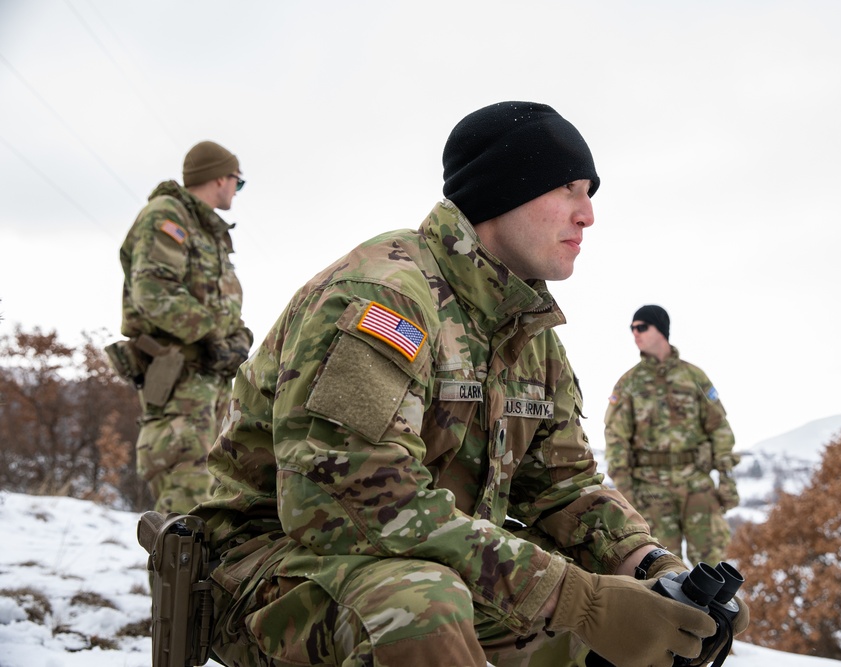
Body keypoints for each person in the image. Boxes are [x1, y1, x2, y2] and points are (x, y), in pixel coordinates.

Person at [191, 102, 747, 667]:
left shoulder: (526, 332)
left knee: (634, 616)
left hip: (427, 562)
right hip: (273, 568)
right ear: (503, 191)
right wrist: (582, 601)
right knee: (424, 609)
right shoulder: (387, 296)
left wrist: (655, 570)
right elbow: (347, 502)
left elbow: (564, 486)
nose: (588, 215)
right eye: (570, 189)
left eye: (591, 194)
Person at [117, 140, 252, 515]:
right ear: (221, 178)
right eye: (237, 183)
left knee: (210, 507)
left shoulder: (207, 232)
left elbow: (221, 303)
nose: (235, 191)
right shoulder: (167, 216)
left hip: (209, 383)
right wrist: (211, 335)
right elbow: (154, 292)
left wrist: (239, 340)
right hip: (177, 379)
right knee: (183, 506)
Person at [604, 305, 740, 567]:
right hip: (651, 493)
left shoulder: (693, 377)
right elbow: (615, 439)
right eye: (632, 329)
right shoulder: (629, 383)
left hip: (697, 487)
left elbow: (719, 428)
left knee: (714, 566)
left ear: (661, 329)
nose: (635, 333)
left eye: (642, 327)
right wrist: (627, 494)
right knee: (663, 569)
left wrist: (727, 479)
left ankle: (713, 611)